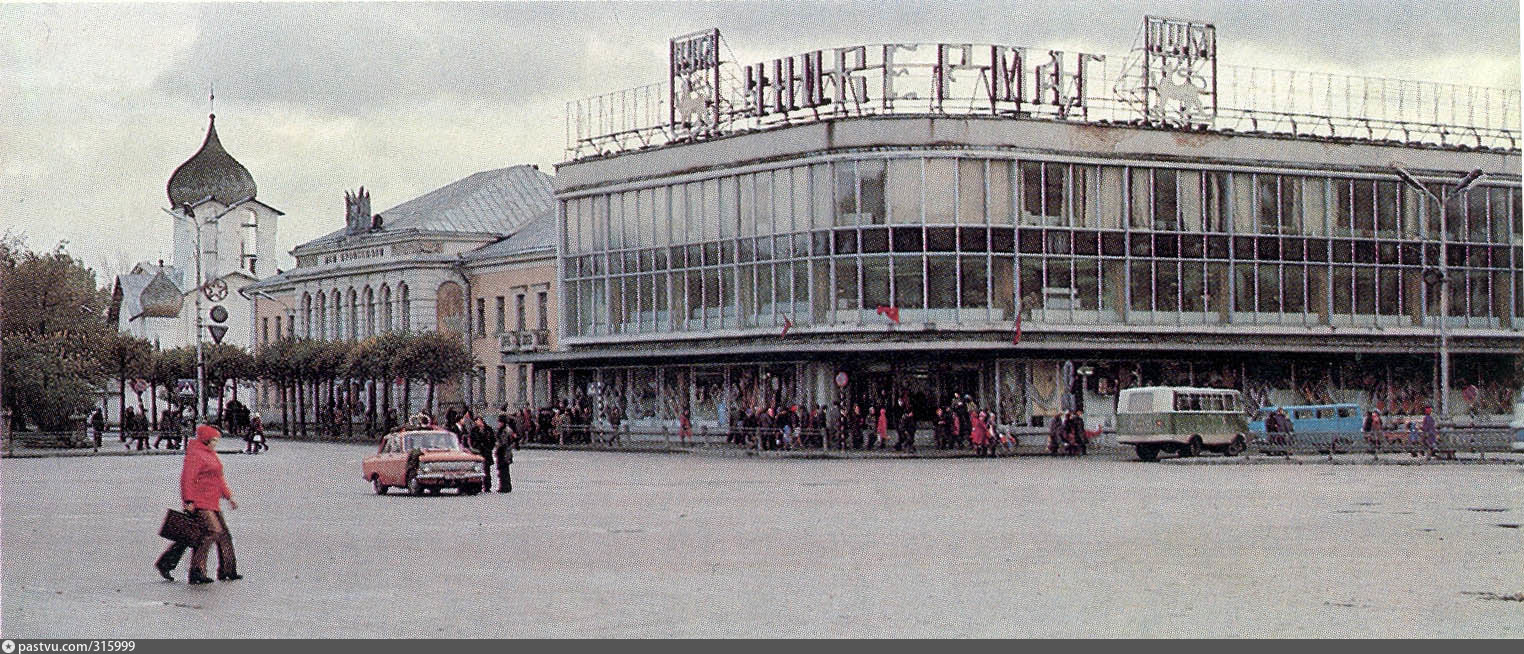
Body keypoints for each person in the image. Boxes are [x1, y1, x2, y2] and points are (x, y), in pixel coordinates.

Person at [155, 424, 240, 585]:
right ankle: (196, 571)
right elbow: (187, 479)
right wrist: (188, 501)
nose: (216, 443)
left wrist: (229, 497)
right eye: (214, 440)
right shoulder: (196, 454)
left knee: (221, 535)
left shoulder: (211, 454)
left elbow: (218, 478)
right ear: (207, 439)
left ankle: (228, 571)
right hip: (200, 502)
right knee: (211, 532)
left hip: (212, 501)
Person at [472, 416, 497, 492]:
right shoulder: (474, 430)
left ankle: (487, 486)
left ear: (481, 421)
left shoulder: (488, 429)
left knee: (487, 470)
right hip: (478, 452)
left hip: (487, 452)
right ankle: (479, 486)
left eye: (477, 420)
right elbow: (473, 441)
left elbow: (493, 440)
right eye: (475, 421)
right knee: (478, 470)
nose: (476, 422)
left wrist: (489, 447)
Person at [494, 414, 515, 493]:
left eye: (500, 422)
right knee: (502, 470)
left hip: (504, 452)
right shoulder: (502, 429)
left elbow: (504, 442)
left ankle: (505, 486)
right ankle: (503, 485)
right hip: (502, 452)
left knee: (504, 470)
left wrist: (497, 445)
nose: (498, 423)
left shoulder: (506, 430)